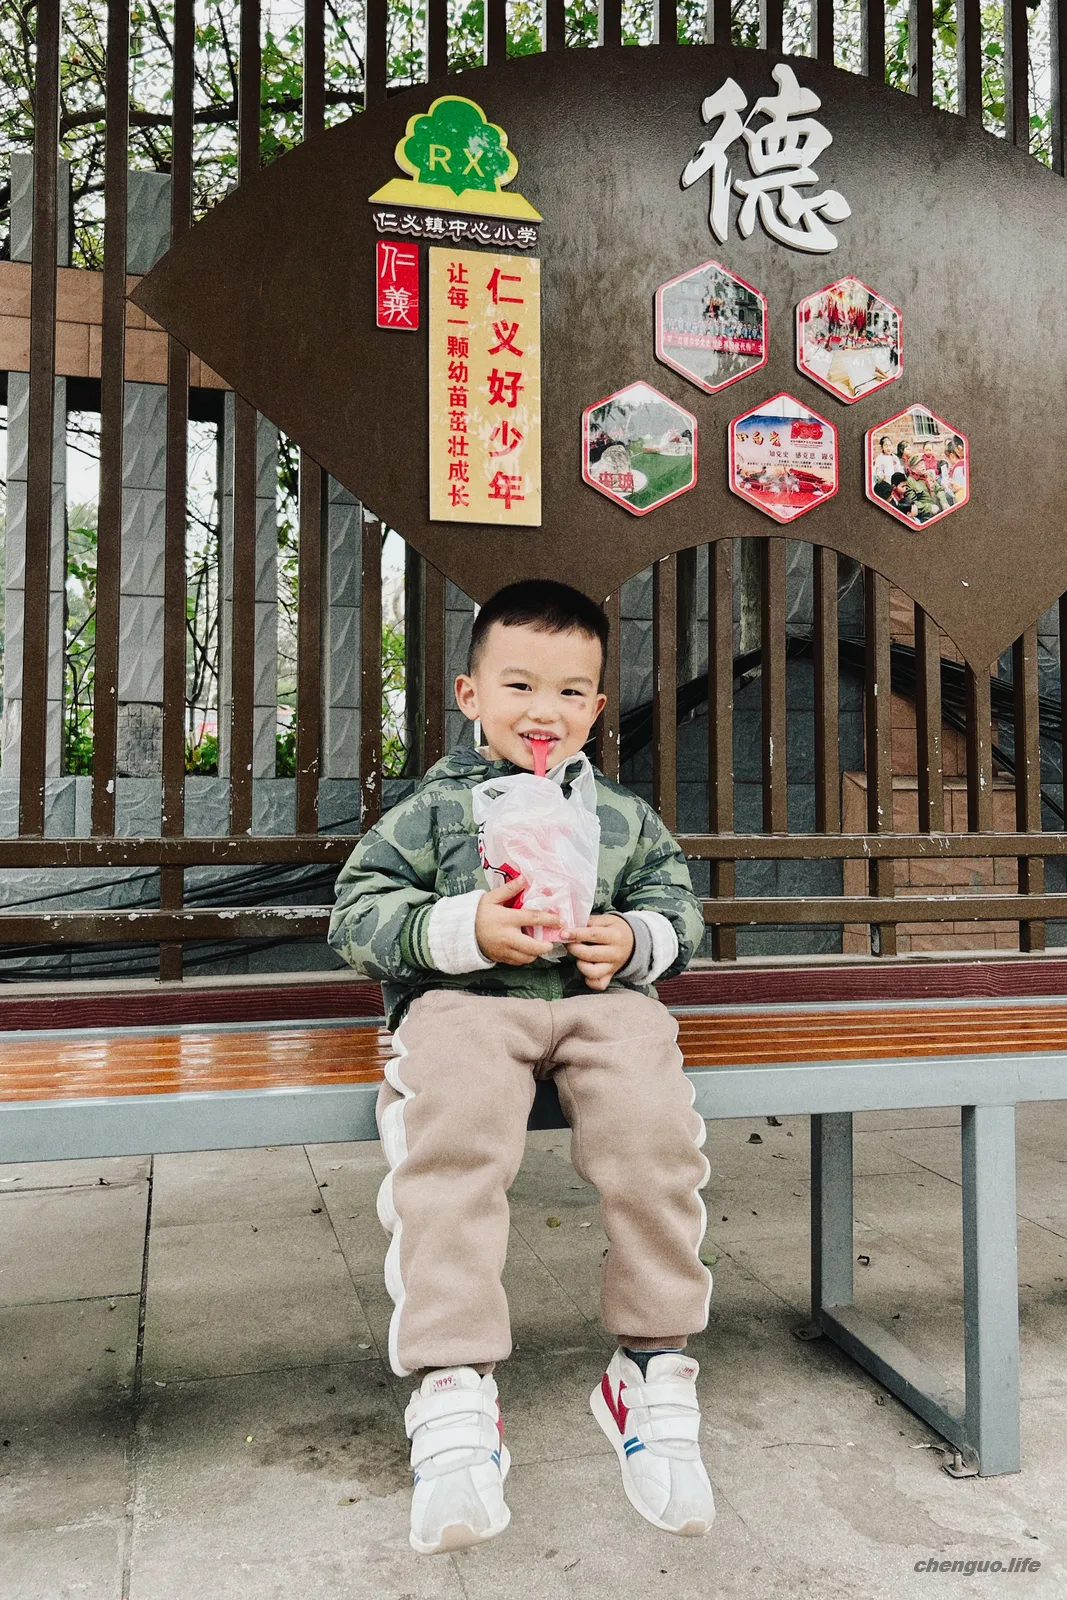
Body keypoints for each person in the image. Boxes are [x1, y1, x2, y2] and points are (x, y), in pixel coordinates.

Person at [329, 579, 714, 1555]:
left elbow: (681, 910)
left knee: (654, 1132)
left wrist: (631, 939)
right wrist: (460, 927)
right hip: (467, 1005)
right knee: (449, 1146)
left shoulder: (621, 818)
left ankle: (650, 1363)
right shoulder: (432, 809)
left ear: (594, 706)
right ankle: (455, 1387)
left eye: (569, 692)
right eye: (518, 686)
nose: (542, 712)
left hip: (596, 1005)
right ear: (469, 695)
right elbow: (356, 914)